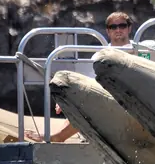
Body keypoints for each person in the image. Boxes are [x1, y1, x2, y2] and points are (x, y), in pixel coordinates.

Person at [26, 11, 137, 142]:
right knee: (83, 97)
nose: (118, 29)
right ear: (108, 31)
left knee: (92, 102)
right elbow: (90, 82)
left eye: (122, 26)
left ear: (129, 28)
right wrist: (69, 98)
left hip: (131, 99)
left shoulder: (140, 51)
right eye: (113, 27)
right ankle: (59, 136)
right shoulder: (99, 55)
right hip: (108, 98)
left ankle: (60, 136)